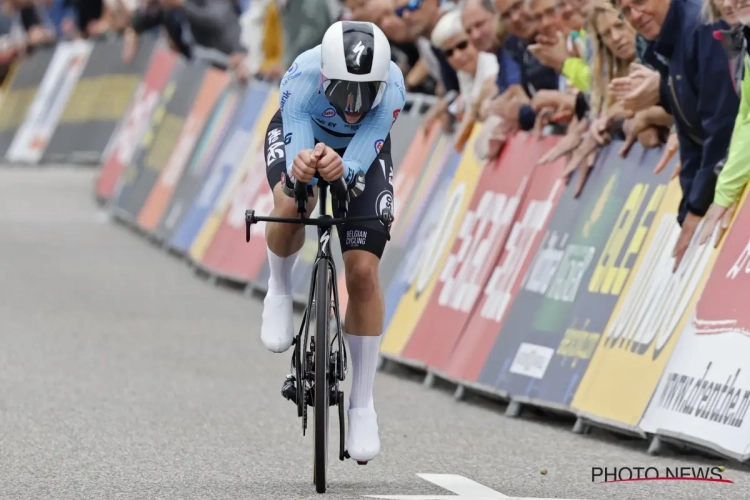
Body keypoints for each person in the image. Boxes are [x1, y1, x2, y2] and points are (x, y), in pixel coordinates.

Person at [260, 21, 406, 465]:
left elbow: (361, 156)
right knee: (290, 202)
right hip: (302, 132)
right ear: (325, 77)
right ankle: (280, 288)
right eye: (344, 91)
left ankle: (362, 403)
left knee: (362, 271)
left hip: (361, 155)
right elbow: (296, 155)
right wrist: (302, 165)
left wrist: (345, 168)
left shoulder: (395, 88)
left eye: (366, 93)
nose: (354, 105)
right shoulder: (302, 77)